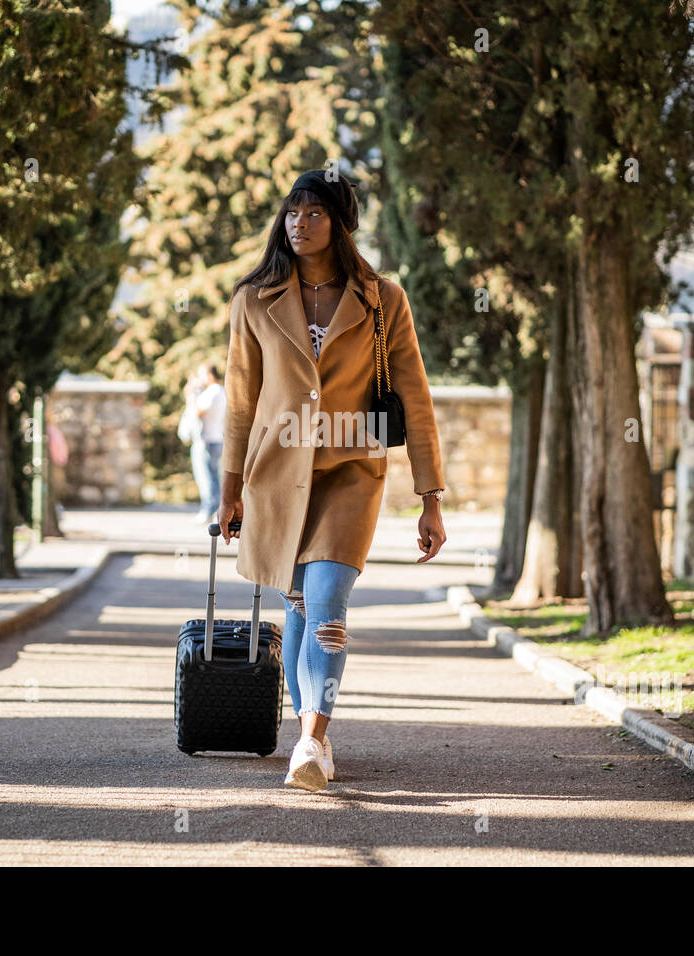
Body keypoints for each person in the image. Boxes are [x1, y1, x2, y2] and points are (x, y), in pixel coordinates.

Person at [217, 168, 447, 792]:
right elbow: (240, 404)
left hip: (352, 471)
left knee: (325, 611)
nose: (299, 222)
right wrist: (229, 491)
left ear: (341, 224)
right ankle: (307, 732)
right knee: (297, 606)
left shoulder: (382, 299)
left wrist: (431, 499)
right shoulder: (253, 299)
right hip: (276, 476)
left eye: (315, 212)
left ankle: (313, 740)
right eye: (292, 211)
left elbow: (415, 399)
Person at [185, 364, 226, 523]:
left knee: (206, 478)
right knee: (214, 476)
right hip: (216, 439)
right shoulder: (221, 391)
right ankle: (214, 509)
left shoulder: (212, 392)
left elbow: (197, 413)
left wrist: (191, 395)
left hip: (206, 441)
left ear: (209, 376)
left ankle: (210, 510)